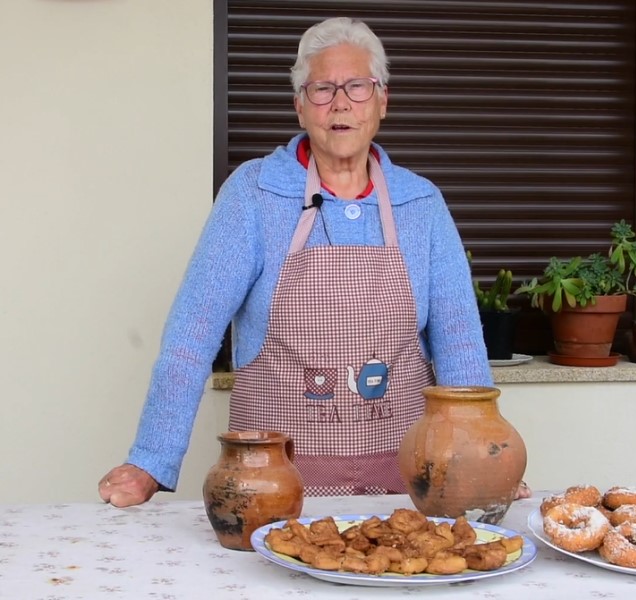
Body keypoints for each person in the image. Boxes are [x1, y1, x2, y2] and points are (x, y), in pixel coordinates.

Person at [99, 16, 529, 507]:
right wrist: (150, 461)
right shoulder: (254, 193)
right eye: (322, 88)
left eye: (357, 87)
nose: (340, 102)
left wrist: (484, 460)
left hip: (407, 492)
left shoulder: (421, 203)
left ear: (382, 102)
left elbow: (460, 346)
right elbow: (191, 337)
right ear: (299, 107)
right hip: (270, 492)